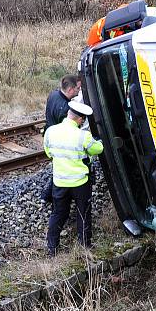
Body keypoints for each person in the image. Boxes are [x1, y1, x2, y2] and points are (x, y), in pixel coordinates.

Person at [44, 101, 104, 256]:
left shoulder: (50, 131)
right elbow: (98, 149)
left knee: (58, 214)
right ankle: (84, 245)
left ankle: (52, 248)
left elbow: (49, 153)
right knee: (83, 213)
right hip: (80, 183)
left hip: (60, 182)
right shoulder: (83, 135)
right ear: (80, 120)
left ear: (68, 115)